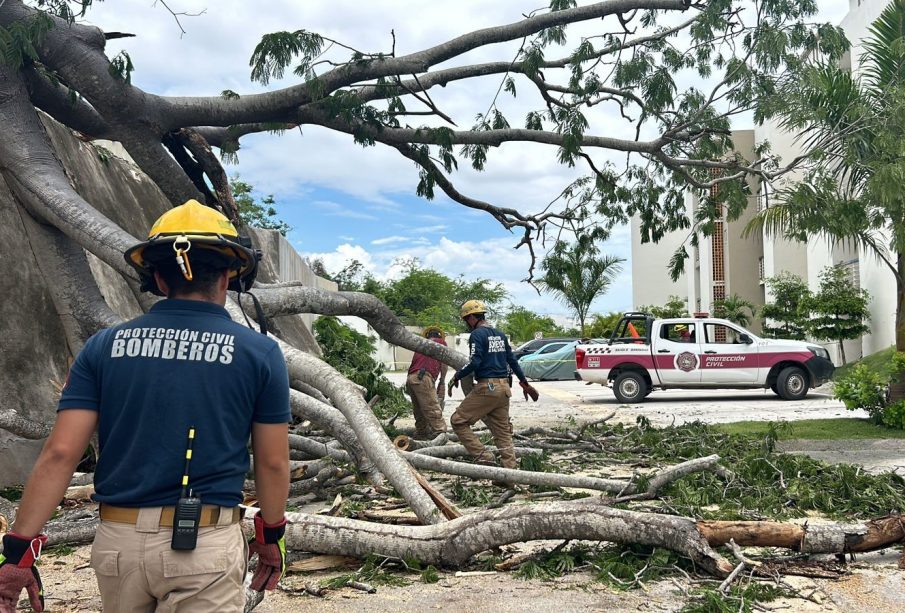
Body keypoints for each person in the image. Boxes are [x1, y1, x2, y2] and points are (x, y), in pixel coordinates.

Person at [0, 200, 291, 612]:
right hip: (205, 547)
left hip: (119, 546)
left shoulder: (103, 347)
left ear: (156, 276)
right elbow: (274, 463)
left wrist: (18, 552)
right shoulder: (260, 353)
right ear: (229, 277)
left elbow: (60, 453)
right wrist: (270, 536)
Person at [447, 300, 539, 473]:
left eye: (467, 319)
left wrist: (457, 376)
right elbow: (512, 361)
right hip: (504, 389)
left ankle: (485, 458)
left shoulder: (477, 335)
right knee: (503, 434)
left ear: (473, 317)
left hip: (487, 388)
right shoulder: (500, 334)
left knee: (457, 421)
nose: (467, 323)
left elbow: (475, 362)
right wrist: (524, 384)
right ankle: (510, 476)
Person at [406, 326, 449, 440]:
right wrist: (442, 381)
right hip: (423, 377)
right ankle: (440, 434)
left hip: (411, 378)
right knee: (432, 407)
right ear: (440, 336)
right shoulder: (441, 343)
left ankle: (422, 433)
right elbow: (444, 363)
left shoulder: (421, 344)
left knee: (419, 409)